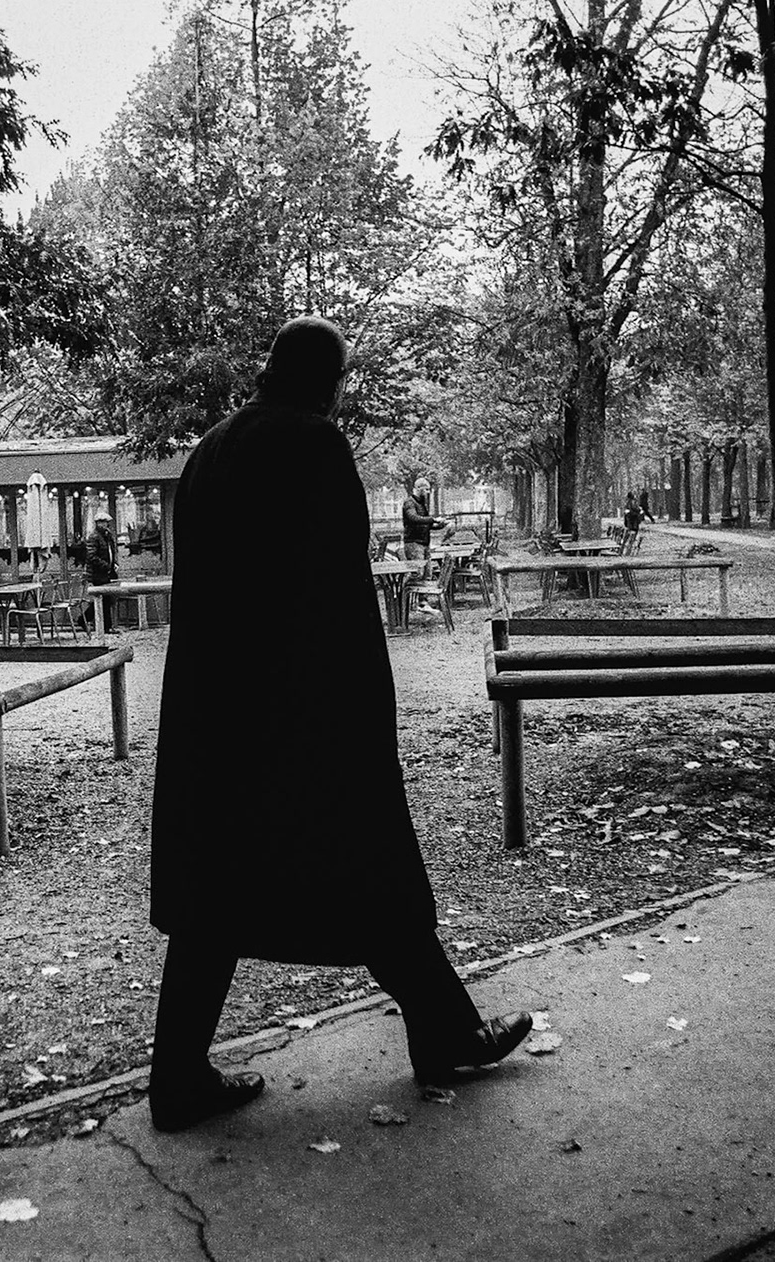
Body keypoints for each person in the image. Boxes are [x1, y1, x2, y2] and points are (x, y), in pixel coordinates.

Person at [147, 315, 533, 1134]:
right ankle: (446, 1031)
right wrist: (365, 714)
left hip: (218, 715)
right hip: (304, 714)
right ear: (329, 381)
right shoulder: (316, 446)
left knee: (216, 893)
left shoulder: (210, 451)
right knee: (373, 870)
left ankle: (178, 1074)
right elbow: (338, 596)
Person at [401, 476, 449, 615]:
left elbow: (426, 524)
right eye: (426, 489)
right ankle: (404, 598)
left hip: (424, 543)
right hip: (413, 543)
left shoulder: (422, 504)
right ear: (418, 488)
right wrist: (433, 519)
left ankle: (423, 603)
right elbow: (414, 518)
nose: (428, 492)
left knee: (427, 574)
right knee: (417, 573)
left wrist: (439, 525)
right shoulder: (409, 503)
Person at [84, 511, 120, 631]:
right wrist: (106, 565)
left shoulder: (107, 535)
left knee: (106, 599)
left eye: (106, 522)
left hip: (106, 572)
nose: (105, 525)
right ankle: (85, 619)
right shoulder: (94, 537)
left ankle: (105, 626)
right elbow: (91, 556)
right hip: (97, 573)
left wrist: (114, 563)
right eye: (103, 522)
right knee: (103, 598)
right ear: (98, 523)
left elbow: (111, 551)